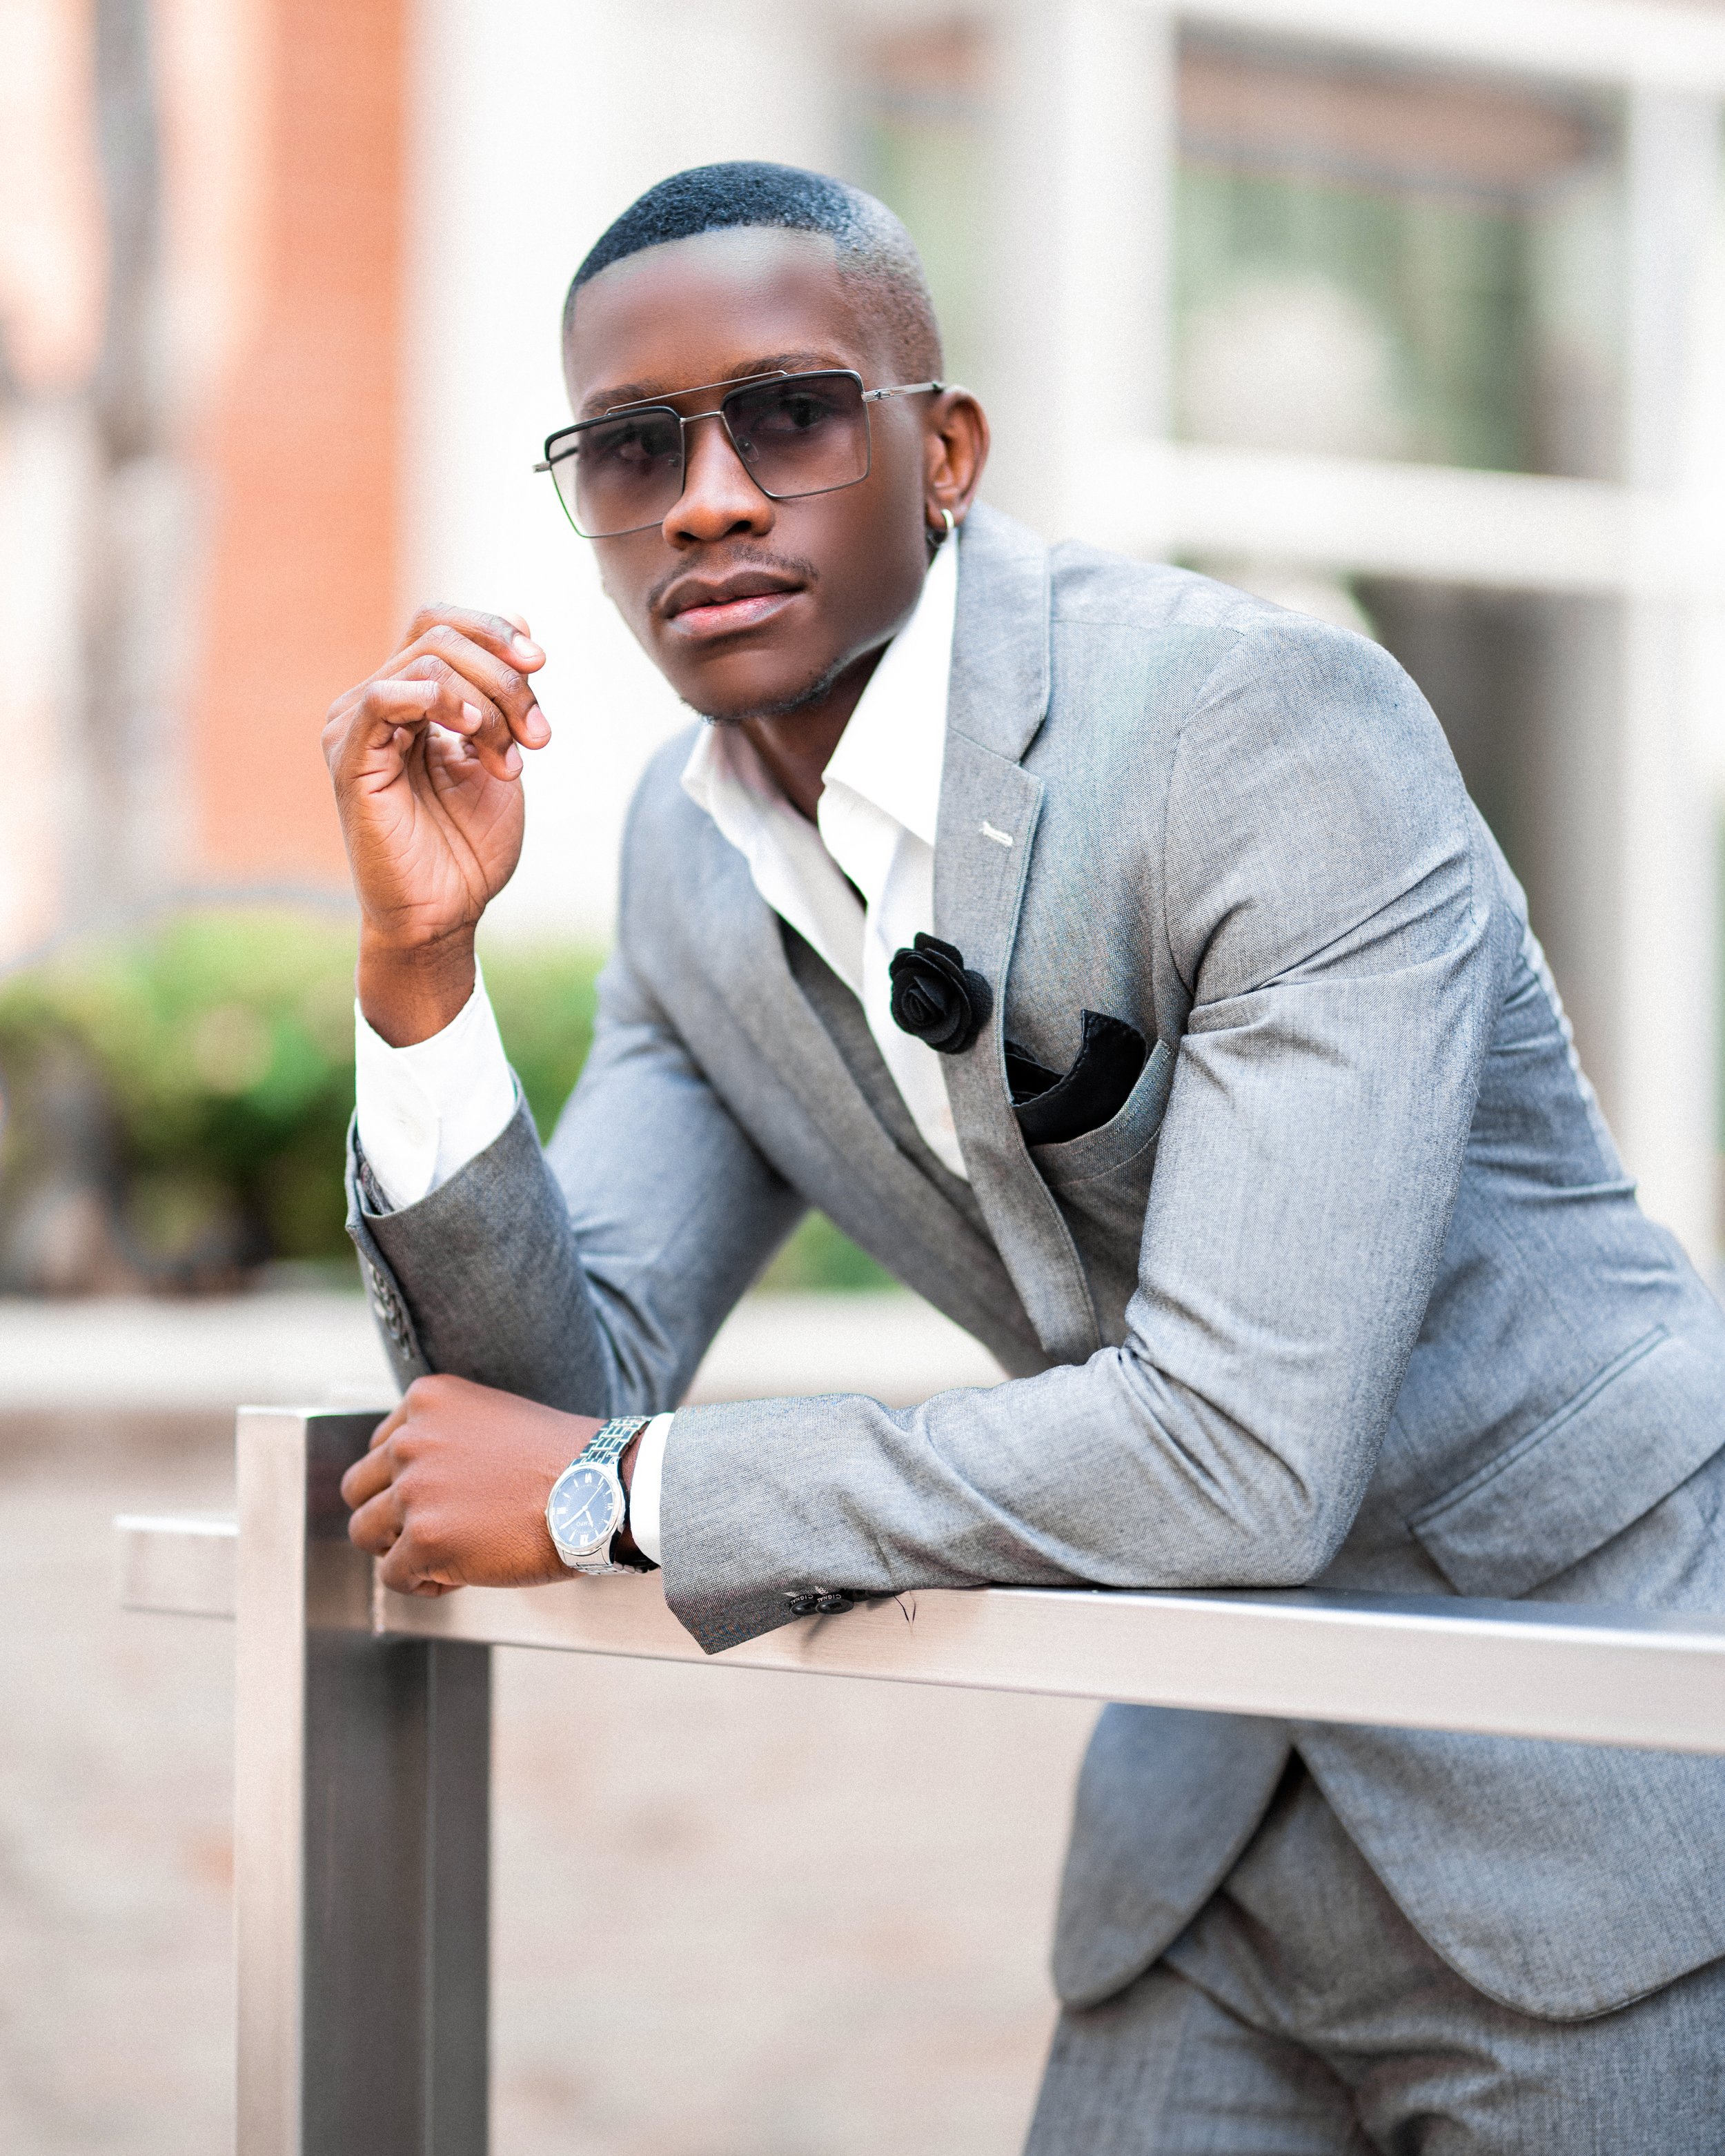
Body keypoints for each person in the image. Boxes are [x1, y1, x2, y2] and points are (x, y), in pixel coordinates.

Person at [324, 163, 1725, 2149]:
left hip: (1596, 1770)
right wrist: (416, 969)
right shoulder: (679, 858)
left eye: (787, 416)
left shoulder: (1258, 731)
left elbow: (1240, 1444)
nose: (707, 497)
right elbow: (550, 1402)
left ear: (946, 448)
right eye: (633, 449)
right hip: (1203, 1818)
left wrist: (621, 1499)